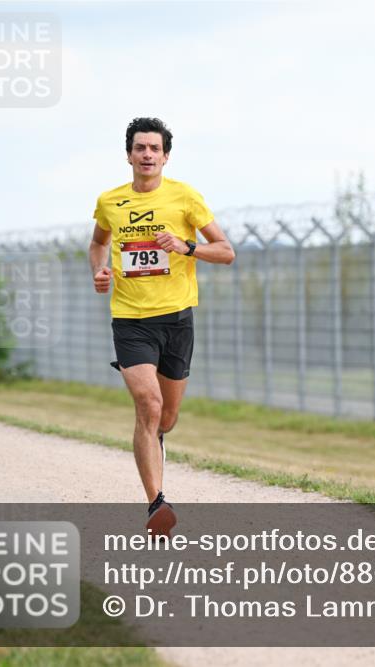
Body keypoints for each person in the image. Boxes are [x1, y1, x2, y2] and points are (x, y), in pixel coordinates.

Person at [89, 117, 235, 537]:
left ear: (165, 156)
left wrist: (186, 246)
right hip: (130, 320)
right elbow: (98, 244)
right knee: (148, 405)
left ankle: (156, 441)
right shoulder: (110, 201)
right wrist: (100, 272)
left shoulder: (186, 197)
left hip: (176, 319)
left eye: (154, 148)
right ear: (129, 155)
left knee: (166, 416)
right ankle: (157, 503)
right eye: (140, 148)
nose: (147, 155)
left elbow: (226, 252)